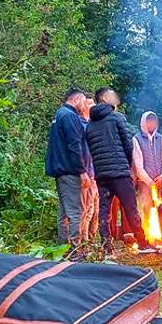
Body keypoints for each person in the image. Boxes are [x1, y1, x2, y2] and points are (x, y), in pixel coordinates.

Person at [86, 87, 156, 256]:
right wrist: (126, 163)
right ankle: (143, 242)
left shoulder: (90, 125)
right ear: (104, 98)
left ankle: (106, 247)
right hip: (119, 172)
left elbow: (91, 149)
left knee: (104, 209)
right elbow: (128, 144)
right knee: (131, 208)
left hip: (102, 174)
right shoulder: (117, 118)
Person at [45, 88, 90, 250]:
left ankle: (62, 248)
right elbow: (74, 145)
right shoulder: (70, 116)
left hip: (60, 170)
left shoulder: (59, 114)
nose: (85, 106)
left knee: (64, 212)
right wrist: (82, 171)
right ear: (76, 99)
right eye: (84, 101)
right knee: (74, 211)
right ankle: (75, 251)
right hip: (69, 171)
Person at [132, 110, 162, 221]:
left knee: (161, 207)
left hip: (161, 182)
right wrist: (150, 182)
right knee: (147, 207)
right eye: (149, 121)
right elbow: (138, 166)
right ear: (143, 122)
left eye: (153, 121)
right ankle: (147, 234)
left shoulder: (161, 139)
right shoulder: (137, 139)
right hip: (144, 183)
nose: (151, 124)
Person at [75, 92, 99, 241]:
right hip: (86, 173)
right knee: (86, 209)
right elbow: (81, 151)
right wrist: (84, 172)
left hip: (95, 173)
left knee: (94, 209)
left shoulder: (93, 125)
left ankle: (91, 239)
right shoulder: (80, 125)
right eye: (89, 105)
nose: (92, 108)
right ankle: (82, 242)